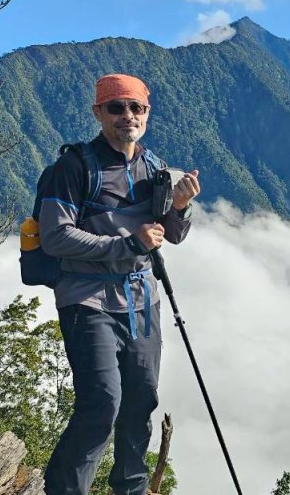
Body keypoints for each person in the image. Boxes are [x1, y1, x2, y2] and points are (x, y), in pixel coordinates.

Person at [40, 73, 200, 495]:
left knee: (141, 400)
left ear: (147, 114)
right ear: (98, 113)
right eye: (116, 107)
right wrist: (127, 243)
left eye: (136, 107)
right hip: (87, 299)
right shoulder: (73, 168)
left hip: (141, 299)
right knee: (102, 404)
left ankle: (131, 488)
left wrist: (179, 207)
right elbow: (56, 236)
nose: (127, 115)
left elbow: (172, 235)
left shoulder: (154, 167)